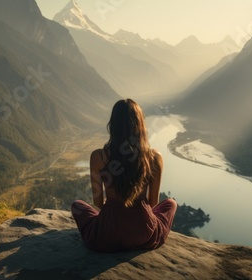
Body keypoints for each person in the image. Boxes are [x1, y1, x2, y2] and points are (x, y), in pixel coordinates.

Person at [71, 99, 177, 252]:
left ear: (113, 125)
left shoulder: (98, 156)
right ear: (140, 124)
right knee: (171, 204)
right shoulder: (154, 158)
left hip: (108, 234)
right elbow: (153, 203)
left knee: (77, 205)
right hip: (143, 232)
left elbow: (98, 202)